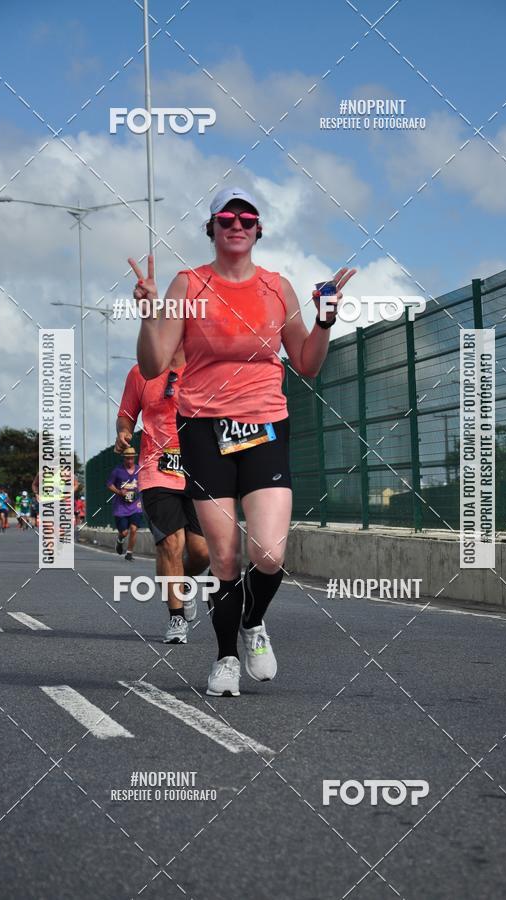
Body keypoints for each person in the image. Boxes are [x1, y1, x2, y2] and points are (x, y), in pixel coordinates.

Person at [131, 186, 355, 696]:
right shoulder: (188, 284)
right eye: (226, 217)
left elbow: (308, 364)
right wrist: (148, 315)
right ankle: (226, 657)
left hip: (266, 425)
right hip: (203, 429)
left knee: (270, 553)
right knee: (226, 557)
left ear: (259, 229)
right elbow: (152, 364)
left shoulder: (278, 288)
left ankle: (254, 622)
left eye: (247, 217)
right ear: (211, 228)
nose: (237, 224)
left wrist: (324, 320)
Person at [116, 355, 210, 644]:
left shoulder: (205, 366)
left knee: (201, 552)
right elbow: (127, 414)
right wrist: (123, 432)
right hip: (157, 471)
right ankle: (176, 618)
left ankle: (184, 581)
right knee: (171, 544)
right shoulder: (140, 373)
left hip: (201, 468)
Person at [107, 448, 144, 561]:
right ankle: (120, 540)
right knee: (124, 532)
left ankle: (129, 553)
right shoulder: (117, 471)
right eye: (127, 458)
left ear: (134, 458)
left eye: (131, 458)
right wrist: (119, 492)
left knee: (133, 529)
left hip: (135, 506)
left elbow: (144, 482)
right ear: (124, 458)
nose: (129, 461)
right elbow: (109, 484)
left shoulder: (139, 470)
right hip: (121, 508)